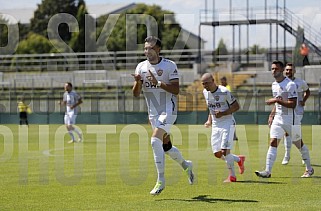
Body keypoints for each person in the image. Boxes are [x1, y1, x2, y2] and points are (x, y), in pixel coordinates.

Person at [132, 36, 194, 195]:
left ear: (158, 49)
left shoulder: (169, 66)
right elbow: (136, 94)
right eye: (145, 48)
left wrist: (158, 82)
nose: (147, 51)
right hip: (153, 114)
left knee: (154, 141)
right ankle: (186, 165)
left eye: (150, 48)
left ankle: (161, 181)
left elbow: (176, 90)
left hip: (169, 110)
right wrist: (138, 82)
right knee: (166, 147)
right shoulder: (140, 67)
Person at [255, 60, 314, 178]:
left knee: (299, 144)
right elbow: (278, 103)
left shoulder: (290, 85)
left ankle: (309, 168)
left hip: (290, 119)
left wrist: (276, 100)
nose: (274, 71)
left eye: (276, 69)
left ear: (281, 70)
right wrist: (272, 114)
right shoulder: (274, 84)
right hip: (278, 118)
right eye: (272, 69)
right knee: (273, 142)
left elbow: (292, 104)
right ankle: (267, 171)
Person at [201, 73, 245, 183]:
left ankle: (232, 176)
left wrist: (223, 113)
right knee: (217, 154)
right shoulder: (205, 93)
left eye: (207, 83)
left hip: (227, 123)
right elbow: (211, 109)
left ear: (213, 80)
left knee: (225, 151)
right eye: (203, 84)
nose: (205, 86)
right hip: (216, 126)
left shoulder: (224, 91)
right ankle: (239, 159)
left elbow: (236, 106)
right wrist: (209, 121)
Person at [281, 63, 310, 165]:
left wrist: (304, 100)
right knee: (287, 132)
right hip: (287, 111)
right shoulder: (282, 83)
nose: (289, 72)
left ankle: (303, 155)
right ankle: (287, 155)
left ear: (295, 71)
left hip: (298, 111)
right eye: (287, 70)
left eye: (291, 70)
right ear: (285, 71)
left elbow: (308, 91)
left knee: (294, 134)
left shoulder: (301, 82)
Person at [220, 76, 238, 141]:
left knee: (231, 120)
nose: (221, 83)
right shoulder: (221, 88)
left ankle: (233, 136)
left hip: (228, 107)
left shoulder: (227, 88)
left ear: (225, 81)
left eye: (222, 81)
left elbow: (228, 97)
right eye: (221, 81)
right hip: (223, 106)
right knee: (230, 121)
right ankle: (232, 136)